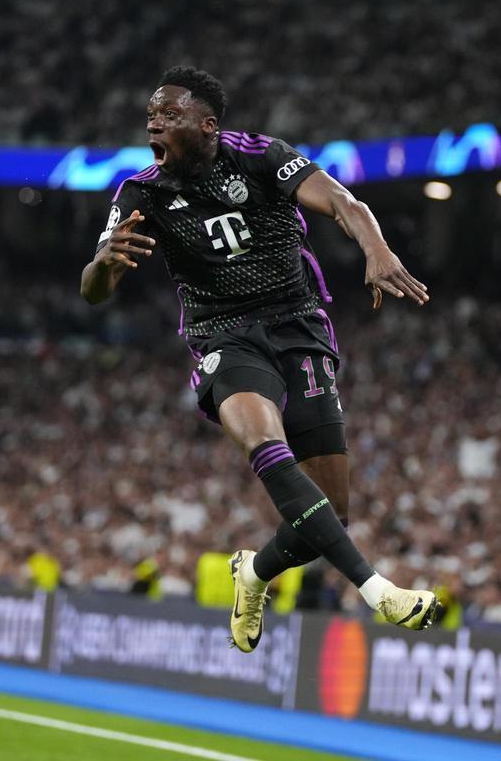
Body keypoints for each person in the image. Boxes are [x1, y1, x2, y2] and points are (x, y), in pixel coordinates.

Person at [80, 66, 438, 653]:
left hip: (297, 325)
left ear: (207, 124)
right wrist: (104, 266)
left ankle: (254, 574)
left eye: (170, 116)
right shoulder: (139, 193)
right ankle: (379, 591)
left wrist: (376, 249)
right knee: (261, 440)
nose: (155, 124)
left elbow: (344, 203)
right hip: (223, 335)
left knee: (331, 516)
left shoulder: (262, 157)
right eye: (151, 116)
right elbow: (94, 290)